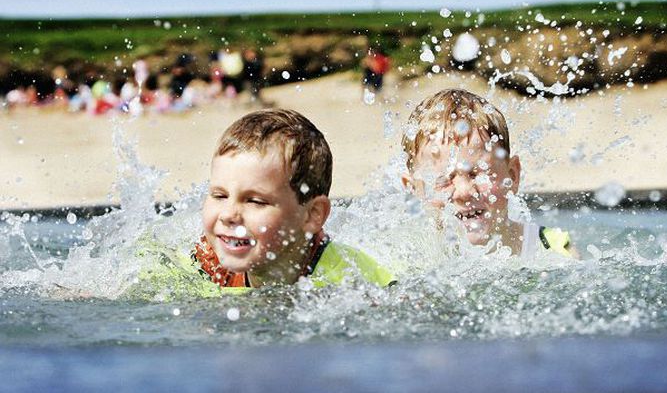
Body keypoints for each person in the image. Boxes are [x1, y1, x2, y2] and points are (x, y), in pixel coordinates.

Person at [131, 109, 394, 298]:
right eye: (220, 196)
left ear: (312, 215)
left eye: (255, 201)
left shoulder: (351, 284)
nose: (229, 215)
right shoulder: (207, 262)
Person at [400, 88, 575, 258]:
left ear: (512, 176)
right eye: (443, 180)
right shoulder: (408, 260)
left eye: (478, 174)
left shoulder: (551, 249)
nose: (464, 192)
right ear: (413, 189)